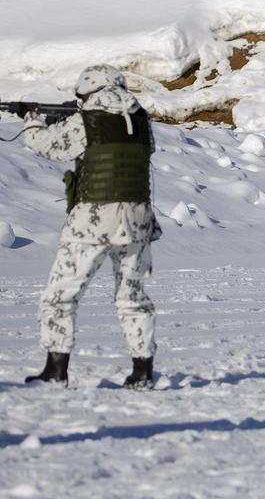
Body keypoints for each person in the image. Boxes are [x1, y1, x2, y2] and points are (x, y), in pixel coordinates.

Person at [22, 65, 161, 388]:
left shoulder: (87, 119)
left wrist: (32, 121)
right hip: (138, 220)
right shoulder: (141, 120)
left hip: (93, 222)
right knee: (133, 297)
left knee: (60, 294)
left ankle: (56, 370)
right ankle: (142, 372)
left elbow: (47, 146)